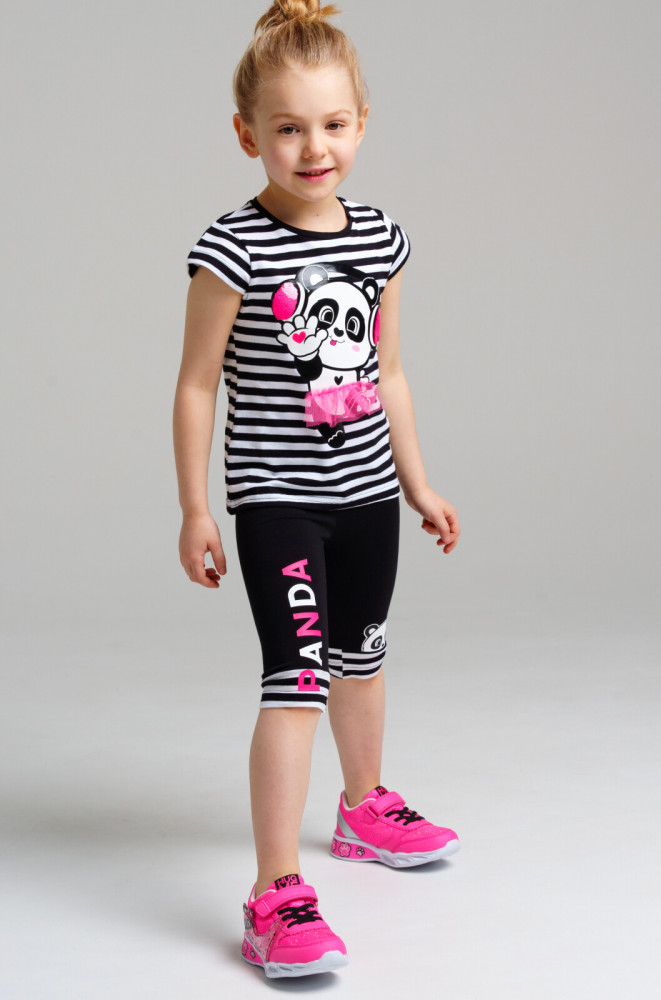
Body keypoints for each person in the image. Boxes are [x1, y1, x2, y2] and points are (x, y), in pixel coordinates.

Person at [173, 0, 460, 980]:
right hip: (278, 501)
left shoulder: (381, 239)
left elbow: (390, 373)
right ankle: (276, 891)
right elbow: (196, 383)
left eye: (333, 124)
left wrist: (418, 482)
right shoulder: (233, 248)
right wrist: (196, 506)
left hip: (367, 494)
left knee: (361, 657)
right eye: (288, 127)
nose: (313, 147)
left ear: (362, 124)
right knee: (294, 680)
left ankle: (363, 807)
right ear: (247, 133)